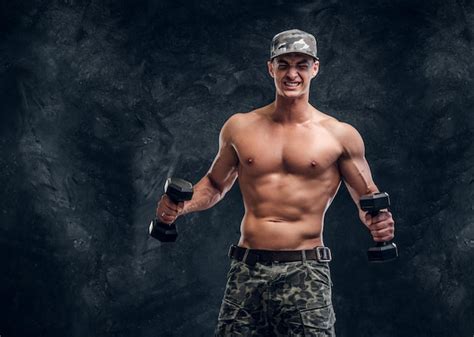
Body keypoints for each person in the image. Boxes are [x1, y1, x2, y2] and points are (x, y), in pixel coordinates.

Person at [155, 29, 395, 337]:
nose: (292, 73)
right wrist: (180, 207)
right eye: (283, 64)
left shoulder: (339, 135)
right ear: (271, 68)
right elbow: (215, 185)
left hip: (305, 271)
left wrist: (379, 223)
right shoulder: (239, 127)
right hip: (246, 269)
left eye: (301, 65)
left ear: (315, 68)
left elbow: (367, 197)